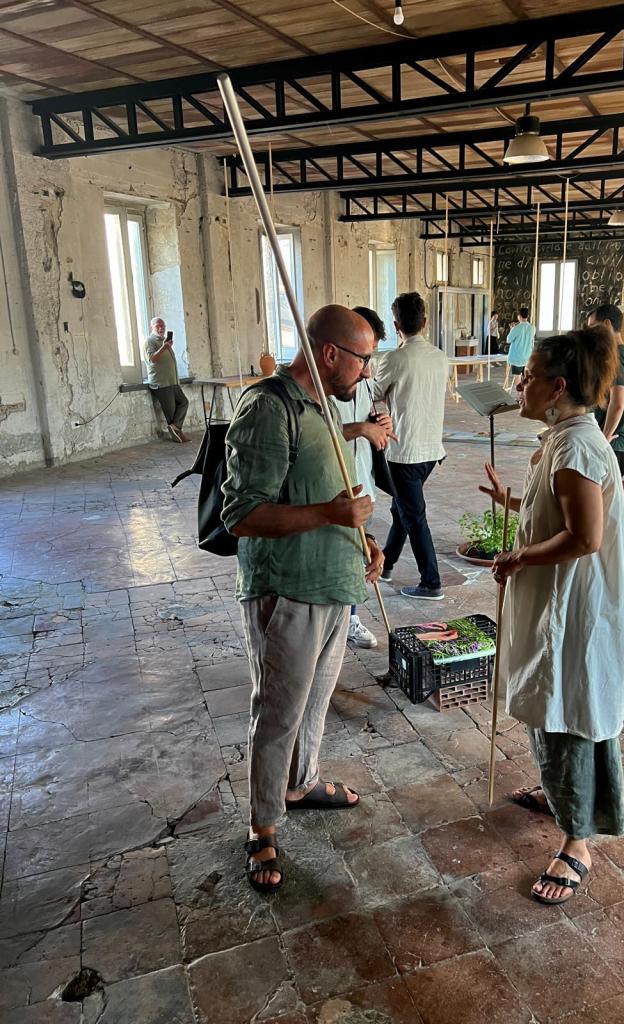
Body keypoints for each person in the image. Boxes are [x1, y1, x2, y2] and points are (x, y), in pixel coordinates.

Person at [221, 305, 385, 893]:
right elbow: (241, 515)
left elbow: (325, 491)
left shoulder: (324, 406)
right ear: (330, 354)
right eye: (363, 359)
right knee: (278, 713)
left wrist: (361, 539)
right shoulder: (269, 407)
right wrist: (330, 515)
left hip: (333, 584)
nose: (368, 372)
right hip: (287, 591)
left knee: (313, 706)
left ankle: (300, 783)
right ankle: (262, 826)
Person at [480, 326, 624, 905]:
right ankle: (559, 794)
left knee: (568, 706)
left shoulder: (574, 447)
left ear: (558, 387)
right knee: (551, 703)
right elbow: (561, 508)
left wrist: (520, 556)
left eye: (528, 376)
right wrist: (512, 503)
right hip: (560, 599)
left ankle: (577, 842)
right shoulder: (567, 439)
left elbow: (585, 536)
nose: (520, 385)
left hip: (576, 607)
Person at [373, 292, 449, 600]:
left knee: (413, 516)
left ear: (395, 325)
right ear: (425, 322)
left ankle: (431, 582)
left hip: (404, 452)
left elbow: (373, 394)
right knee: (402, 509)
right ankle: (387, 563)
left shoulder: (394, 358)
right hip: (431, 450)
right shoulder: (440, 357)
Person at [334, 305, 397, 649]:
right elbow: (319, 434)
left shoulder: (364, 381)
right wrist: (361, 428)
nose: (368, 369)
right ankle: (344, 619)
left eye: (371, 356)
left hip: (362, 479)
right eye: (364, 358)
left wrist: (379, 424)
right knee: (344, 553)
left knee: (360, 551)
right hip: (336, 485)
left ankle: (351, 616)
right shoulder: (328, 385)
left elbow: (366, 421)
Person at [586, 304, 624, 478]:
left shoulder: (616, 356)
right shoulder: (623, 353)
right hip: (613, 444)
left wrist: (604, 438)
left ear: (607, 324)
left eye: (593, 327)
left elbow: (618, 403)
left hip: (611, 445)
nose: (591, 334)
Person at [144, 316, 190, 443]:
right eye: (158, 326)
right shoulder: (150, 341)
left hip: (172, 381)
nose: (161, 328)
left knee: (184, 402)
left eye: (163, 326)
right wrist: (164, 348)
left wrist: (166, 346)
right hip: (161, 383)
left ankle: (176, 429)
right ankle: (178, 435)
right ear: (152, 328)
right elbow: (152, 359)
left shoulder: (164, 342)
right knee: (171, 412)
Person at [505, 306, 535, 391]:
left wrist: (512, 329)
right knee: (525, 376)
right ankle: (526, 393)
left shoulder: (516, 328)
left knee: (517, 375)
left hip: (517, 356)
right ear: (527, 316)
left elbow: (508, 340)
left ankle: (520, 394)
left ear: (519, 316)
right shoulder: (532, 327)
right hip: (527, 356)